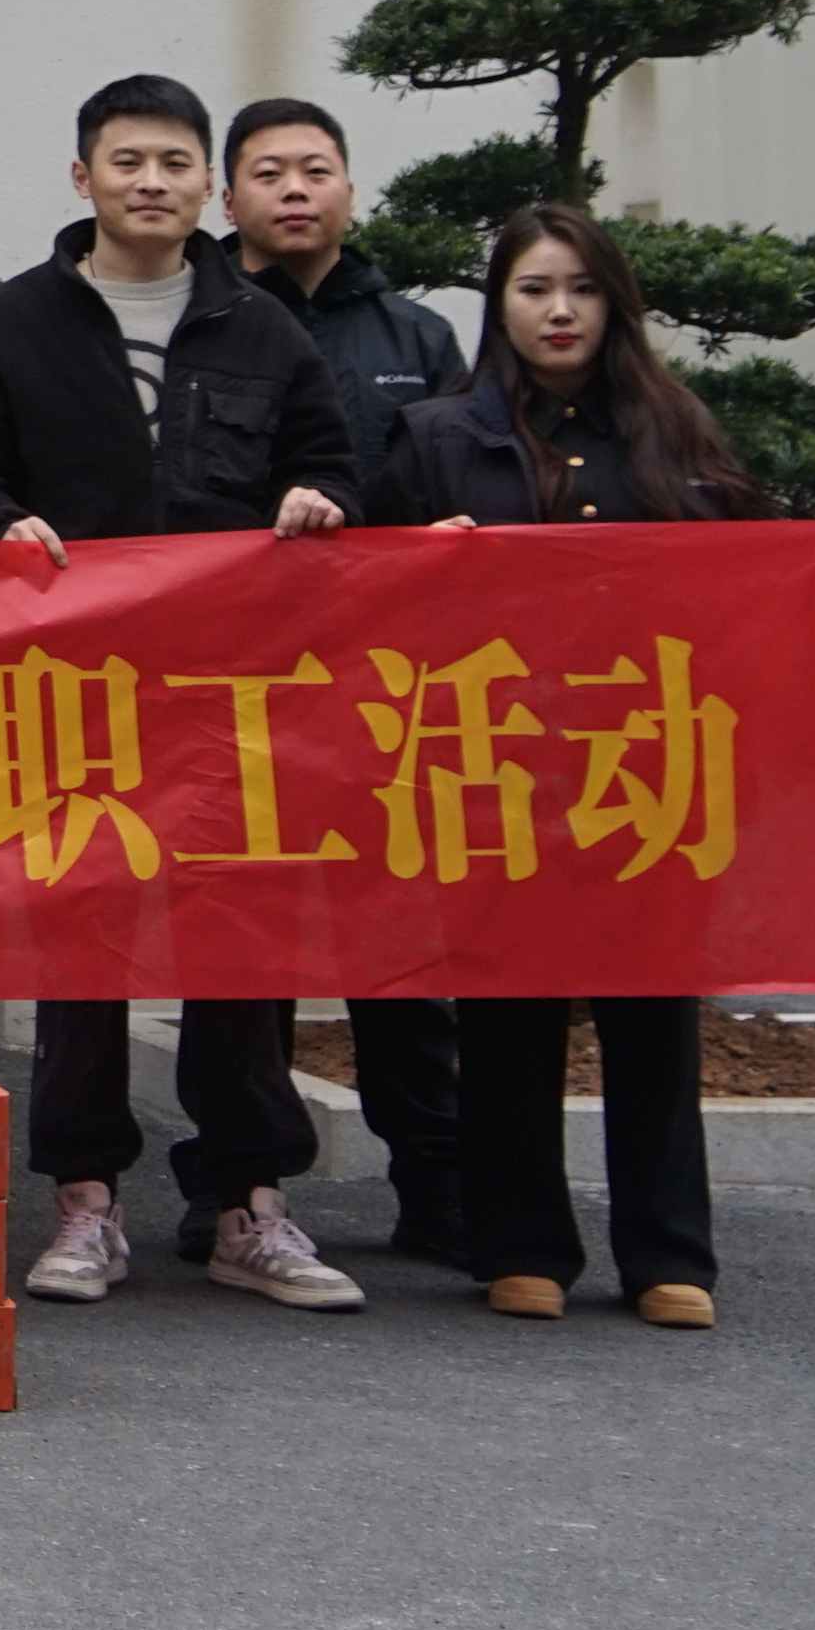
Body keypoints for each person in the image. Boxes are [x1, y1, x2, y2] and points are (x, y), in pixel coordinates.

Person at [375, 203, 815, 1332]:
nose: (559, 311)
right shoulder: (438, 437)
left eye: (582, 288)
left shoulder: (674, 427)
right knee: (507, 1015)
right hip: (504, 763)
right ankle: (521, 1244)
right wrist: (413, 560)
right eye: (535, 288)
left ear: (615, 303)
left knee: (653, 1012)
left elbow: (770, 574)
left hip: (648, 761)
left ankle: (668, 1251)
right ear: (498, 305)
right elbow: (360, 597)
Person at [0, 73, 365, 1314]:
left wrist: (320, 500)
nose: (150, 182)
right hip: (73, 692)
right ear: (82, 178)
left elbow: (334, 465)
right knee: (83, 943)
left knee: (242, 942)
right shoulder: (11, 325)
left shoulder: (264, 330)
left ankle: (247, 1201)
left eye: (173, 163)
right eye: (126, 161)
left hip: (231, 697)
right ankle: (85, 1197)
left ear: (208, 184)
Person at [227, 92, 474, 1260]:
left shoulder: (415, 338)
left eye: (315, 169)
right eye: (269, 171)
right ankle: (238, 1182)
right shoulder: (207, 323)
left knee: (400, 946)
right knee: (245, 949)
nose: (294, 190)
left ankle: (436, 1180)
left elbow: (460, 482)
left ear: (350, 190)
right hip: (237, 684)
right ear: (230, 195)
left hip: (387, 685)